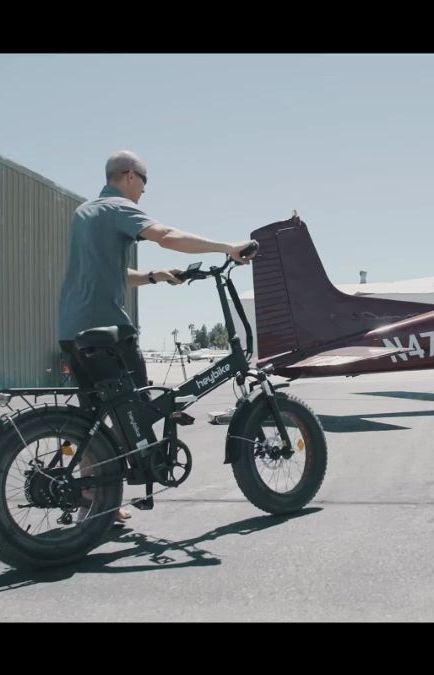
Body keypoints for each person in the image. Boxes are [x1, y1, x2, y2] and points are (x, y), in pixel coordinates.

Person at [57, 150, 258, 522]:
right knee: (142, 408)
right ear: (130, 176)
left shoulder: (84, 213)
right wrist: (226, 247)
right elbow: (166, 235)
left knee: (95, 417)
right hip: (106, 332)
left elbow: (111, 274)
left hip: (72, 331)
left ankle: (98, 501)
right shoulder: (117, 207)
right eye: (145, 184)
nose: (144, 193)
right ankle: (139, 469)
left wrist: (155, 276)